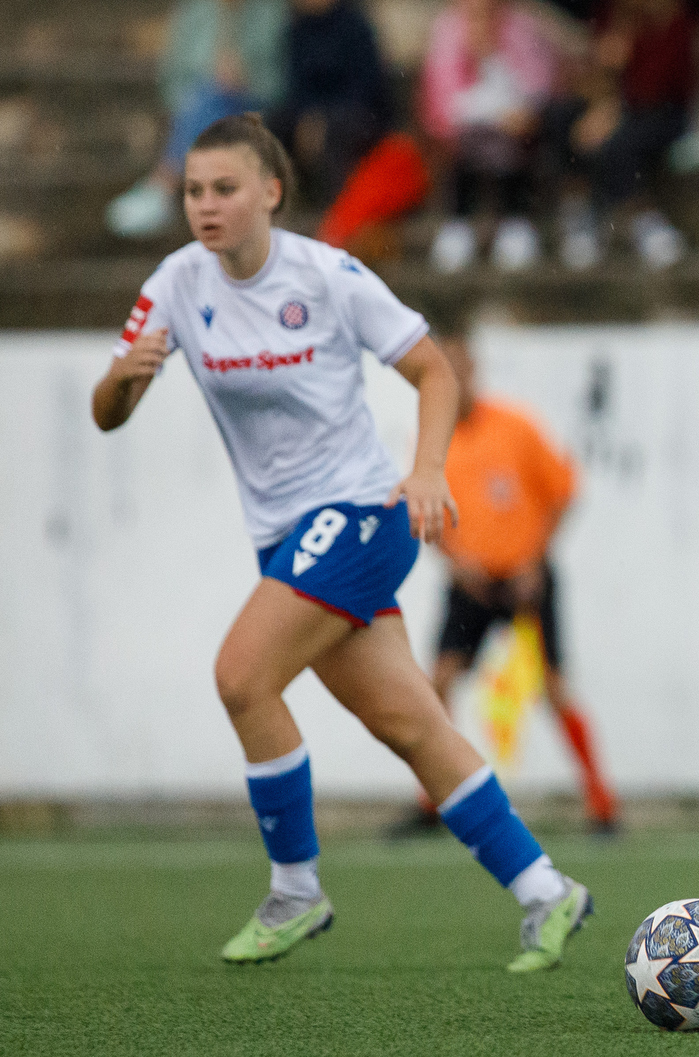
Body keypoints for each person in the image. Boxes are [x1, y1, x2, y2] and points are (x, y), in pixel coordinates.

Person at [90, 114, 591, 973]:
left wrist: (428, 470)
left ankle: (295, 890)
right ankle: (548, 890)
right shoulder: (175, 282)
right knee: (410, 723)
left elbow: (432, 368)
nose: (205, 207)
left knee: (242, 676)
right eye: (193, 191)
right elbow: (106, 414)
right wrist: (120, 382)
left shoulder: (327, 275)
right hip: (286, 539)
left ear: (271, 192)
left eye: (225, 189)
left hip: (361, 514)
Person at [392, 326, 619, 836]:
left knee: (554, 688)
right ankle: (432, 803)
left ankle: (602, 804)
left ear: (473, 371)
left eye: (459, 368)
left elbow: (561, 491)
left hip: (525, 579)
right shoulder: (433, 440)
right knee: (440, 682)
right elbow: (425, 511)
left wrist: (534, 561)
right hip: (471, 583)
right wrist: (457, 563)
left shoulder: (515, 427)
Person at [545, 0, 699, 271]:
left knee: (623, 141)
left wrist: (615, 110)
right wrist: (600, 65)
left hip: (661, 110)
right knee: (562, 118)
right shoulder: (608, 15)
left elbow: (660, 86)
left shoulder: (674, 21)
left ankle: (640, 216)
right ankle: (578, 210)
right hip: (613, 104)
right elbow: (585, 79)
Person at [108, 0, 287, 238]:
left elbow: (282, 84)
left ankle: (164, 182)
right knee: (208, 95)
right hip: (199, 109)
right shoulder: (195, 12)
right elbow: (172, 79)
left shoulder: (272, 14)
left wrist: (245, 81)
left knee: (213, 95)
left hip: (254, 108)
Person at [420, 0, 561, 273]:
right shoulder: (449, 30)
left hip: (514, 128)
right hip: (465, 132)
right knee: (471, 141)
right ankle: (459, 222)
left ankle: (515, 219)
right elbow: (442, 98)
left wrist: (494, 56)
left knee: (515, 143)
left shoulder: (521, 28)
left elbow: (538, 85)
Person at [267, 0, 393, 208]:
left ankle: (335, 213)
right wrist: (307, 119)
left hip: (356, 114)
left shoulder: (356, 26)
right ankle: (282, 208)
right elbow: (295, 86)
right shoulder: (297, 30)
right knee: (275, 126)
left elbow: (365, 88)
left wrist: (323, 119)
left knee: (336, 132)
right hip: (310, 116)